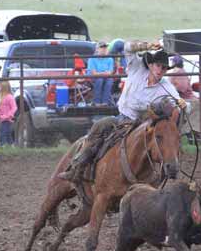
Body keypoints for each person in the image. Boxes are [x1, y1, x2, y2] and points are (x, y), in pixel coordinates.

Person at [58, 40, 186, 183]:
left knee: (160, 142)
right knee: (100, 126)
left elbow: (180, 103)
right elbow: (128, 48)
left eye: (164, 68)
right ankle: (78, 167)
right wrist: (146, 45)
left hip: (143, 125)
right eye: (158, 65)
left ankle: (162, 172)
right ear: (150, 65)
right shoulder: (136, 68)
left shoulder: (166, 86)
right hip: (122, 118)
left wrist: (182, 104)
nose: (160, 70)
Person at [87, 41, 115, 106]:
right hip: (94, 78)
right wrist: (104, 73)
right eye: (102, 47)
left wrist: (101, 73)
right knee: (100, 80)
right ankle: (97, 102)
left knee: (109, 81)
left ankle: (105, 103)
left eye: (105, 48)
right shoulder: (92, 59)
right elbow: (94, 73)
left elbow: (110, 72)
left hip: (105, 77)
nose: (104, 49)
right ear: (97, 49)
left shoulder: (110, 59)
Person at [0, 81, 17, 146]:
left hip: (7, 119)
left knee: (3, 132)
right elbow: (0, 109)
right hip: (3, 119)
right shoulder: (1, 97)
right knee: (7, 133)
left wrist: (8, 115)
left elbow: (14, 107)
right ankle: (11, 145)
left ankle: (3, 145)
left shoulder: (9, 97)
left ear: (3, 88)